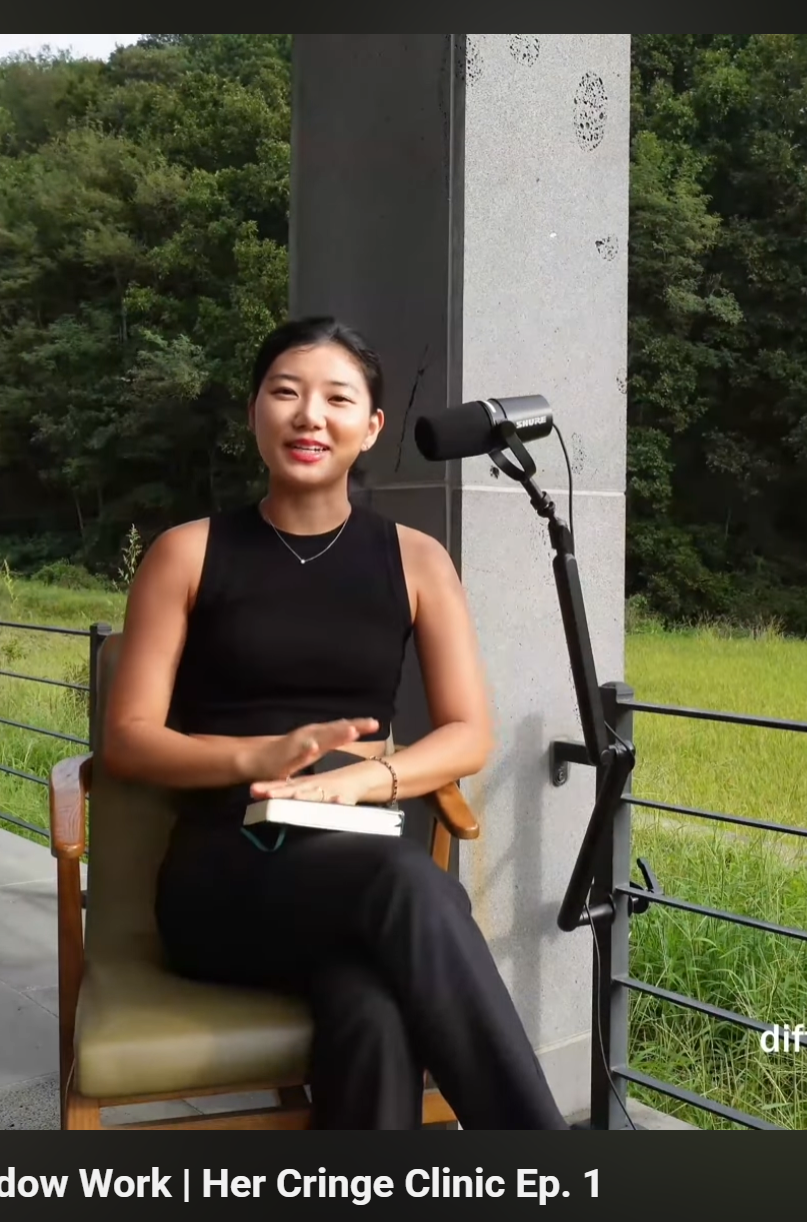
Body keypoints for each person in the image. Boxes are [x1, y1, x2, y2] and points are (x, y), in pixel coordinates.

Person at [100, 316, 570, 1130]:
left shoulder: (418, 560)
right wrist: (266, 753)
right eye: (285, 393)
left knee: (374, 1010)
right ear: (254, 413)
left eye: (336, 399)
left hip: (356, 871)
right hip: (225, 877)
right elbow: (129, 740)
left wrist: (358, 782)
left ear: (371, 428)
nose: (309, 416)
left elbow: (468, 733)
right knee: (413, 889)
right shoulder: (187, 552)